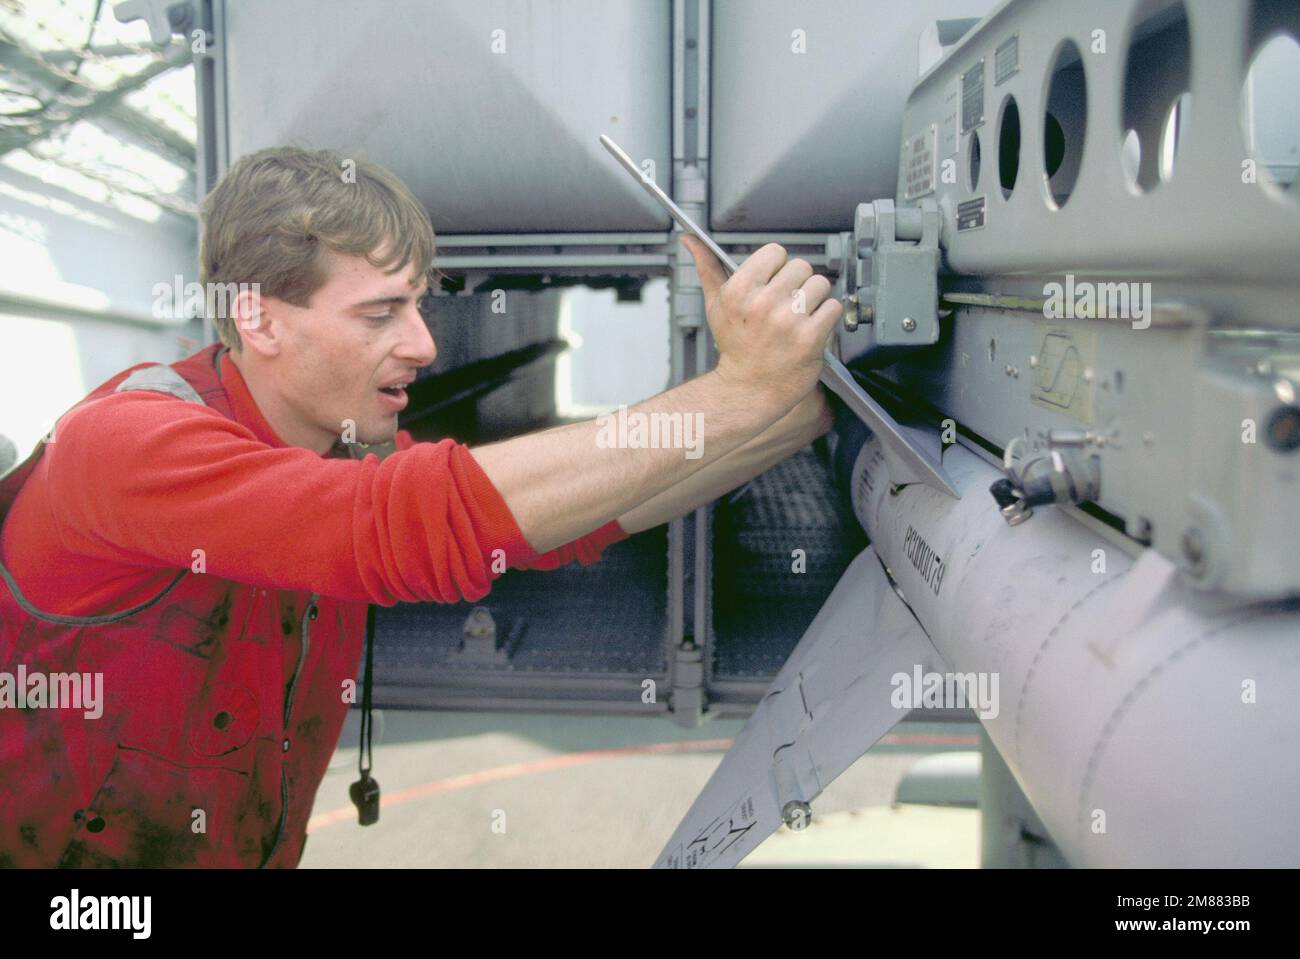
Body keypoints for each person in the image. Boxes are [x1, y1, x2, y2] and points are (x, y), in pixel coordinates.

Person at [0, 146, 840, 867]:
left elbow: (551, 528)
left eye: (418, 302)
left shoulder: (335, 447)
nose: (425, 344)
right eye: (381, 313)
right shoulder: (126, 448)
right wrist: (737, 392)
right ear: (258, 320)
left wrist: (785, 413)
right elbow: (406, 529)